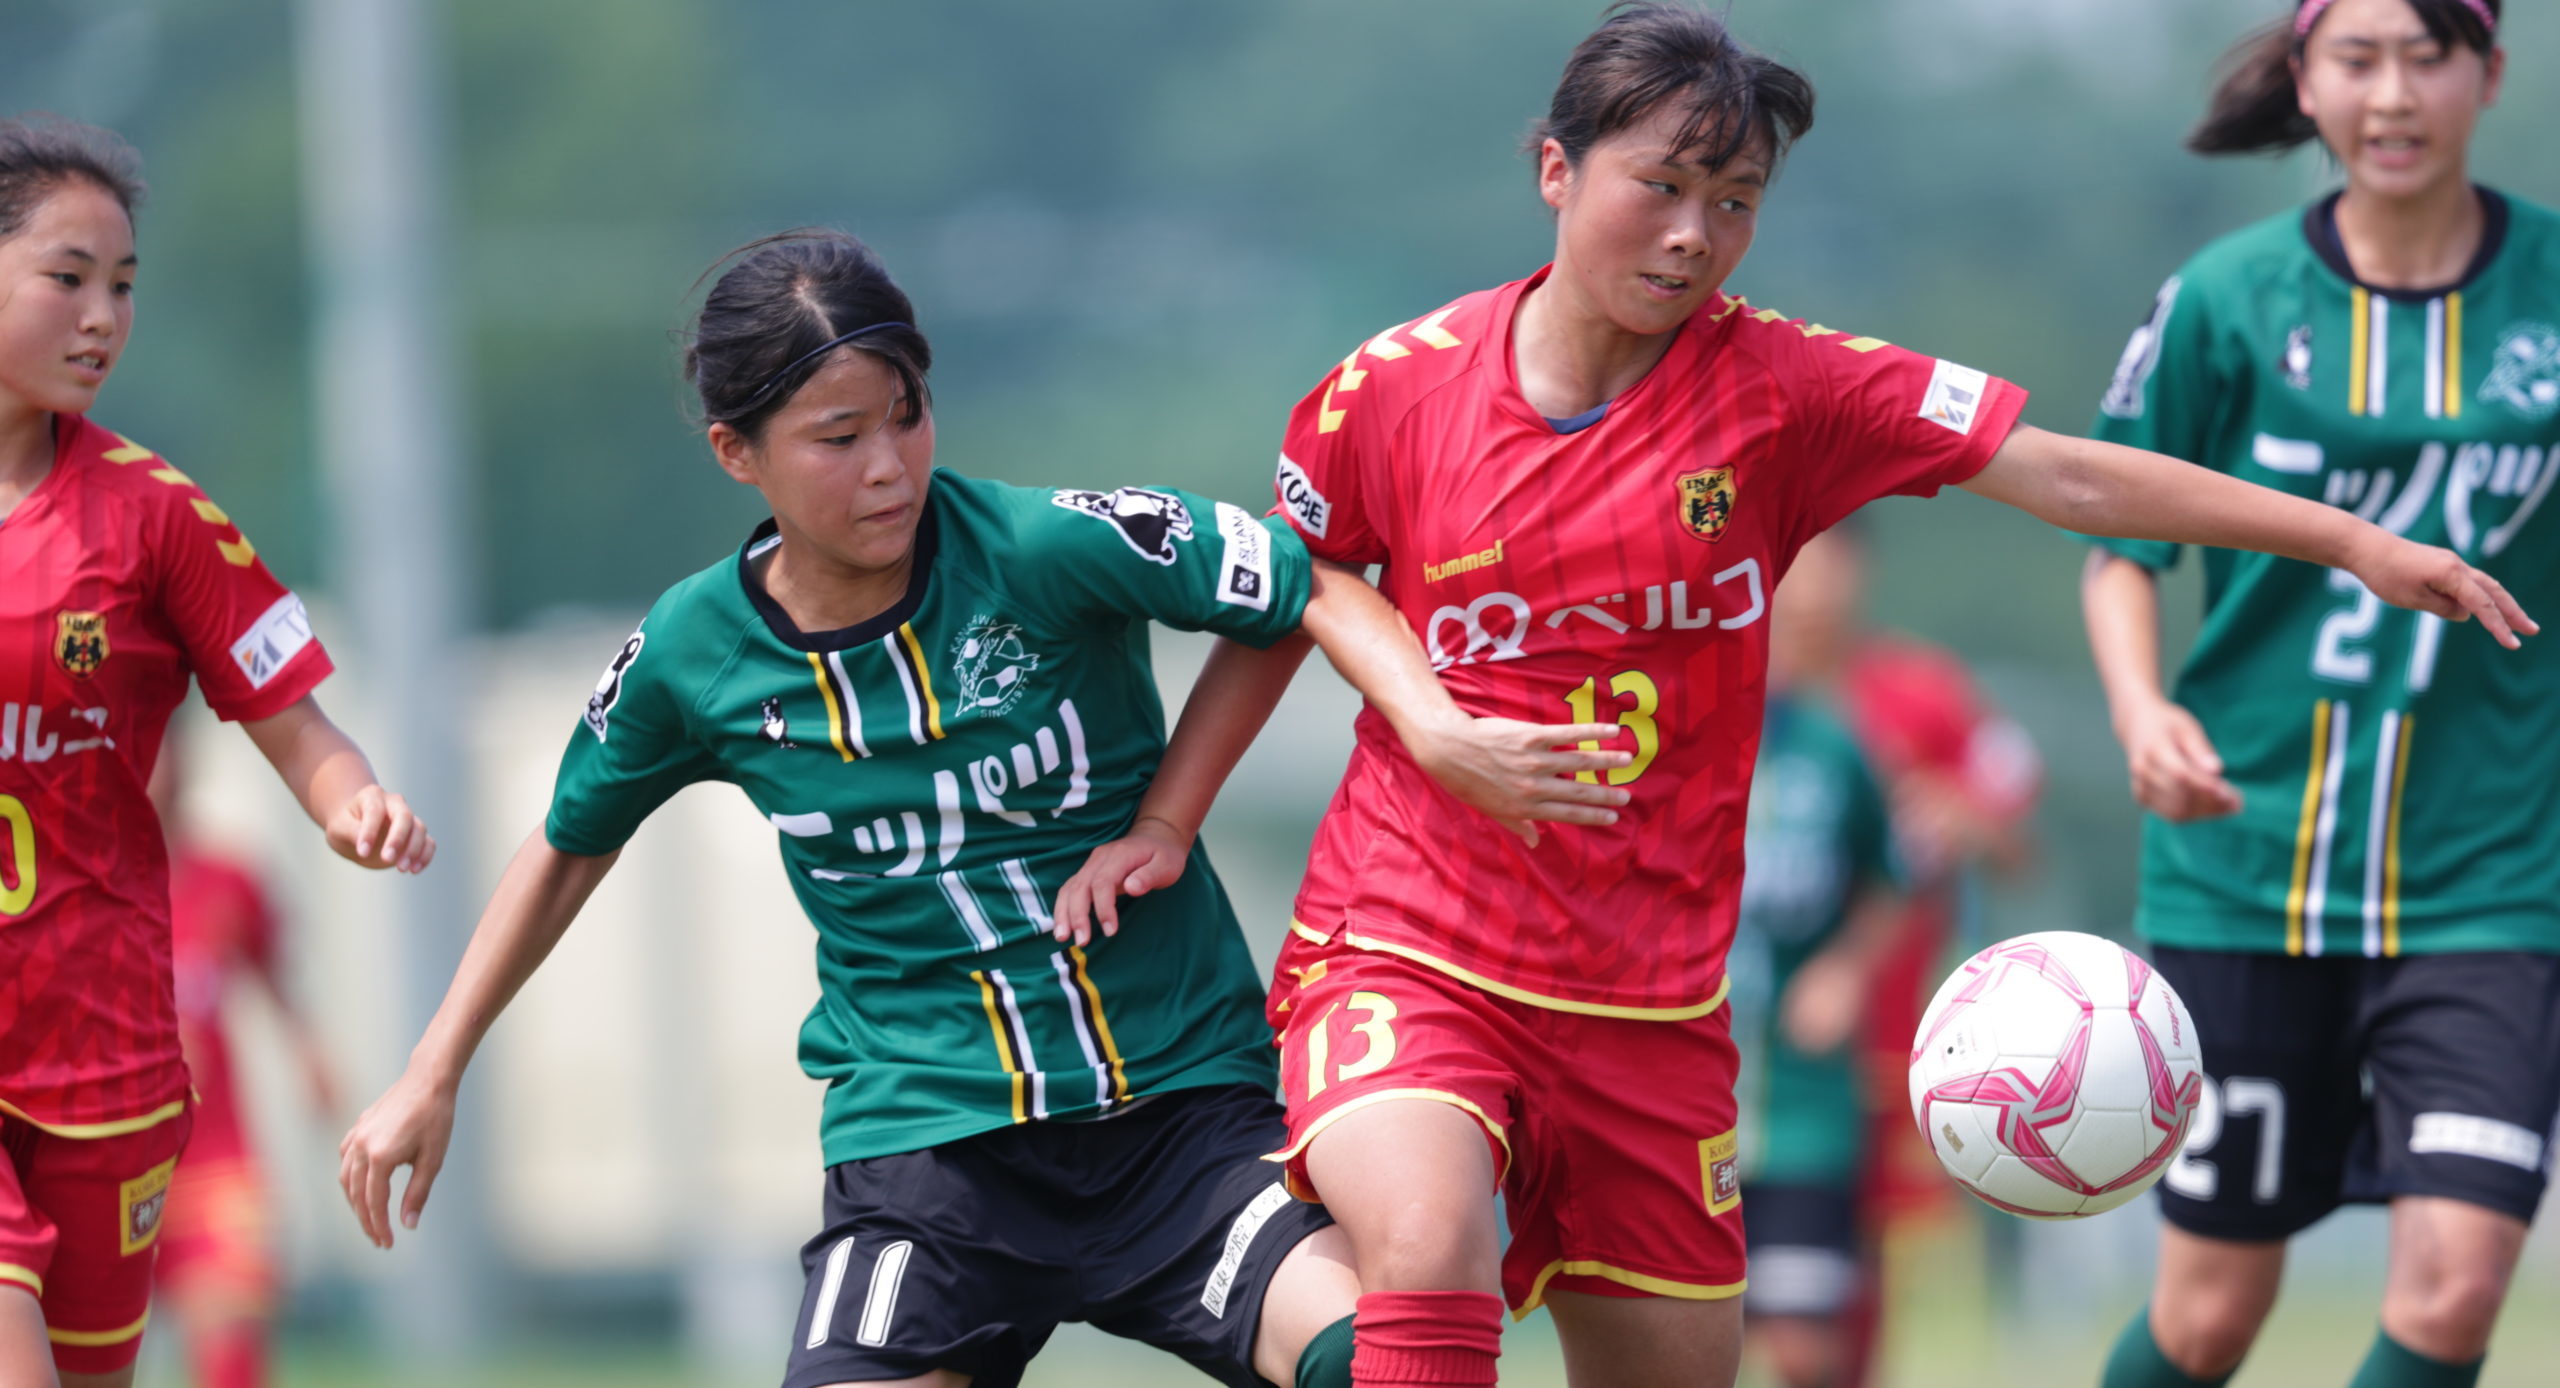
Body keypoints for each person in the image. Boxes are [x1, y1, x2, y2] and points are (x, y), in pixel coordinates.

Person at [1054, 6, 2531, 1387]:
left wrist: (2351, 542)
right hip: (1411, 947)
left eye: (1738, 200)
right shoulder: (1392, 387)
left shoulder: (1788, 390)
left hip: (1652, 1003)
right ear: (1558, 171)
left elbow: (2065, 470)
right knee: (1427, 1251)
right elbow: (1287, 595)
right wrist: (1199, 807)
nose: (1699, 235)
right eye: (1665, 185)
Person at [333, 228, 1618, 1388]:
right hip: (929, 1161)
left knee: (1371, 1360)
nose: (889, 468)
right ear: (738, 453)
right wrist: (429, 1070)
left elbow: (1308, 578)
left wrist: (1433, 726)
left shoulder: (1048, 546)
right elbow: (567, 846)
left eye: (907, 416)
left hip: (1177, 1120)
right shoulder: (693, 653)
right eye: (838, 439)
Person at [2081, 4, 2559, 1386]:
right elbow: (2121, 547)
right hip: (2245, 871)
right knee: (2209, 1317)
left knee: (2456, 1287)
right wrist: (2140, 711)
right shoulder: (2226, 299)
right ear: (2306, 81)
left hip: (2489, 880)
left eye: (2429, 56)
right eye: (2359, 58)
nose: (2395, 94)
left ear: (2490, 76)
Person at [0, 117, 434, 1388]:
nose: (103, 317)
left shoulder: (156, 518)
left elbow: (297, 725)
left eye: (123, 286)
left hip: (103, 1040)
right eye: (67, 277)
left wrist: (355, 805)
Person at [1772, 524, 2043, 1388]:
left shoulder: (1921, 694)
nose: (1811, 584)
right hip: (1743, 1036)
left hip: (1890, 1035)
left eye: (1829, 558)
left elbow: (2008, 824)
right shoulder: (1718, 694)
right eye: (1792, 559)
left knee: (1849, 1276)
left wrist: (1963, 819)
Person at [1727, 540, 1909, 1388]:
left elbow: (1892, 876)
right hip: (1683, 1101)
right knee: (1688, 1345)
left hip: (1804, 1108)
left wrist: (1844, 968)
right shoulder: (1661, 744)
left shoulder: (1836, 751)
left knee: (1807, 1351)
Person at [144, 729, 339, 1388]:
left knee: (232, 1351)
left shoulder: (226, 879)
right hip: (111, 1162)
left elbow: (273, 971)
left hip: (215, 1160)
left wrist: (307, 1050)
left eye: (162, 744)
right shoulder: (68, 889)